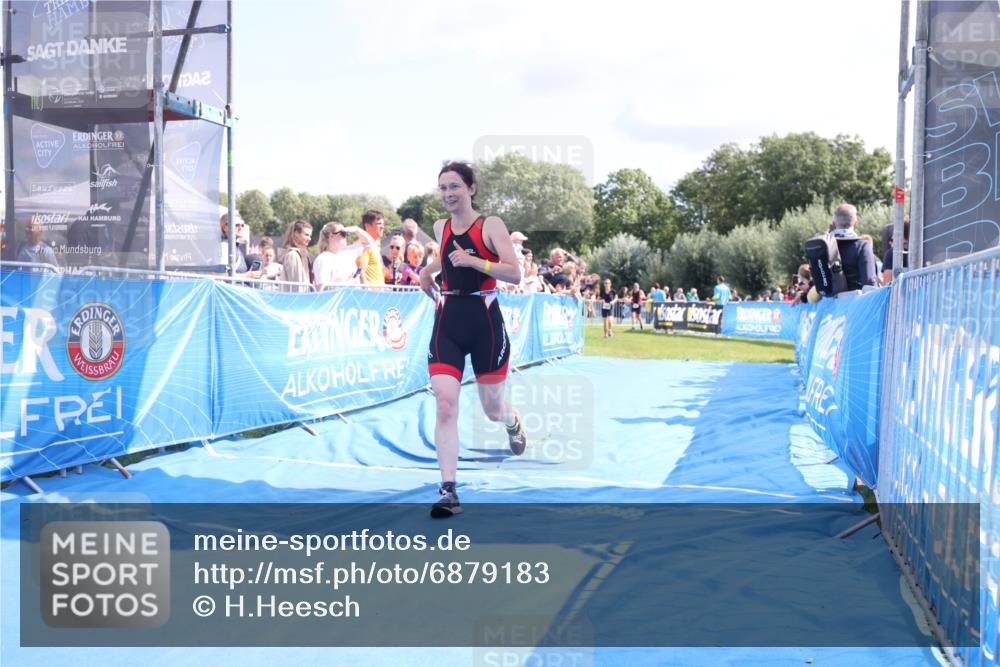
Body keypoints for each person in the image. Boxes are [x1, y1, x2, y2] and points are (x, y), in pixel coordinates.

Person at [418, 161, 526, 518]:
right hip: (448, 321)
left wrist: (474, 261)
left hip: (486, 325)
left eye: (455, 187)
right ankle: (448, 491)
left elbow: (514, 273)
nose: (448, 194)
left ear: (471, 188)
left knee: (492, 409)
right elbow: (447, 260)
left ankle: (512, 421)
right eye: (443, 187)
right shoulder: (440, 226)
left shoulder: (490, 225)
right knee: (446, 404)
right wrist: (426, 271)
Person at [313, 221, 376, 289]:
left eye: (347, 233)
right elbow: (322, 288)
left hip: (353, 297)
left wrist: (357, 229)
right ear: (331, 236)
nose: (346, 236)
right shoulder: (323, 259)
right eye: (343, 233)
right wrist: (347, 284)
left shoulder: (348, 252)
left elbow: (370, 243)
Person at [831, 203, 878, 291]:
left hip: (828, 301)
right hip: (854, 300)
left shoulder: (824, 245)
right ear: (856, 223)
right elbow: (869, 282)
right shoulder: (862, 246)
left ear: (834, 223)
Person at [280, 219, 313, 292]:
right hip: (296, 300)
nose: (309, 239)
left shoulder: (301, 254)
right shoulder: (293, 255)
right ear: (296, 233)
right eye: (306, 235)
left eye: (310, 236)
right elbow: (296, 285)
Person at [358, 210, 386, 285]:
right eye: (379, 224)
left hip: (378, 293)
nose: (382, 227)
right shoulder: (364, 246)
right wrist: (367, 291)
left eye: (383, 224)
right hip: (370, 294)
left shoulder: (376, 246)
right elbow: (360, 271)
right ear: (367, 226)